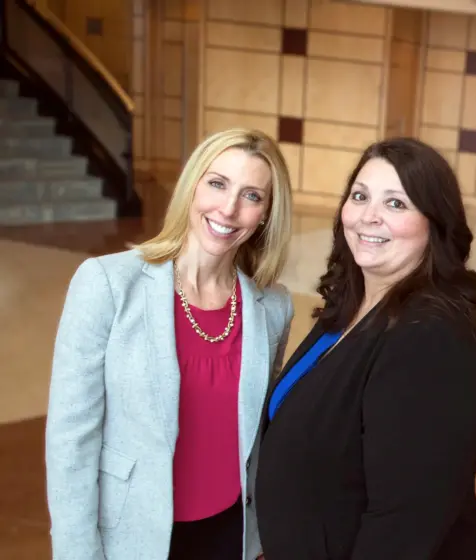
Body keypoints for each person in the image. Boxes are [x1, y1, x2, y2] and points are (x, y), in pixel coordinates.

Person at [44, 128, 296, 560]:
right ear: (192, 186)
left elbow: (256, 442)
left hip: (227, 535)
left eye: (252, 196)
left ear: (266, 214)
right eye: (217, 184)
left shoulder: (271, 308)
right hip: (130, 533)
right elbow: (70, 440)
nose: (229, 208)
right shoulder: (107, 283)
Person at [254, 137, 476, 559]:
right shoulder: (352, 307)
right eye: (360, 196)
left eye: (396, 204)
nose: (369, 216)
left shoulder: (431, 339)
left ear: (434, 223)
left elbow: (402, 524)